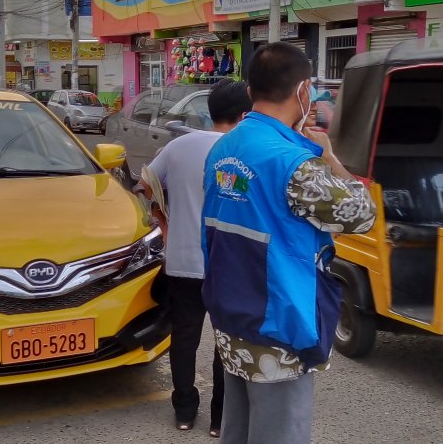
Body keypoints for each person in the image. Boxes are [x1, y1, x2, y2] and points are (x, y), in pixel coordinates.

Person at [202, 42, 377, 444]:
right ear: (303, 90)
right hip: (278, 324)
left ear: (251, 90)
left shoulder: (223, 148)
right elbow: (363, 215)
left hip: (231, 314)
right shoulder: (294, 163)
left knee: (239, 429)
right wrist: (330, 157)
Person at [141, 79, 252, 437]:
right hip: (226, 264)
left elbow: (146, 183)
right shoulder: (241, 151)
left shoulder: (179, 146)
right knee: (224, 343)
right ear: (244, 115)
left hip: (183, 259)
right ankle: (220, 419)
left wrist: (163, 219)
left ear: (211, 110)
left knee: (184, 337)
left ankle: (184, 412)